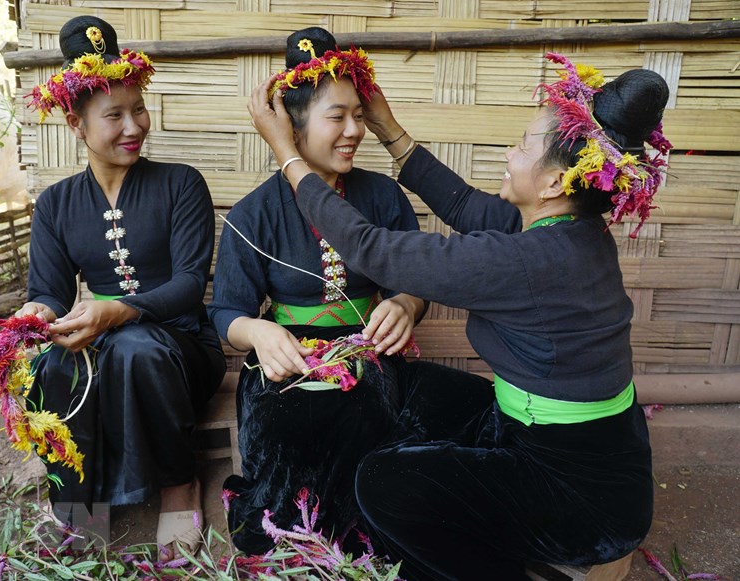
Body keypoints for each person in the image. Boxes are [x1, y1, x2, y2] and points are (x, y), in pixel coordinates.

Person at [248, 51, 671, 579]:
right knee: (407, 385)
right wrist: (386, 126)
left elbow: (369, 247)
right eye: (341, 116)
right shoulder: (569, 230)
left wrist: (289, 155)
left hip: (578, 493)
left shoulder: (520, 261)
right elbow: (466, 206)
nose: (509, 154)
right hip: (576, 446)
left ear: (556, 183)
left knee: (383, 485)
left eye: (523, 146)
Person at [208, 27, 427, 554]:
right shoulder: (253, 214)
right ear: (294, 128)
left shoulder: (383, 196)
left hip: (368, 346)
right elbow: (227, 313)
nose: (354, 129)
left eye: (359, 114)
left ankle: (360, 537)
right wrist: (259, 333)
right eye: (337, 117)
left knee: (369, 411)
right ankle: (291, 535)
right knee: (282, 422)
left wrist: (404, 304)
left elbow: (416, 283)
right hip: (285, 354)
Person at [19, 15, 226, 556]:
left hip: (180, 345)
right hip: (105, 344)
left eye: (138, 109)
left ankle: (178, 486)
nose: (133, 125)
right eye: (114, 115)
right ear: (75, 124)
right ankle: (78, 505)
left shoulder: (181, 184)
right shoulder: (57, 205)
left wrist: (116, 311)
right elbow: (48, 290)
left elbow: (187, 286)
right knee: (56, 365)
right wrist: (37, 315)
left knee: (135, 349)